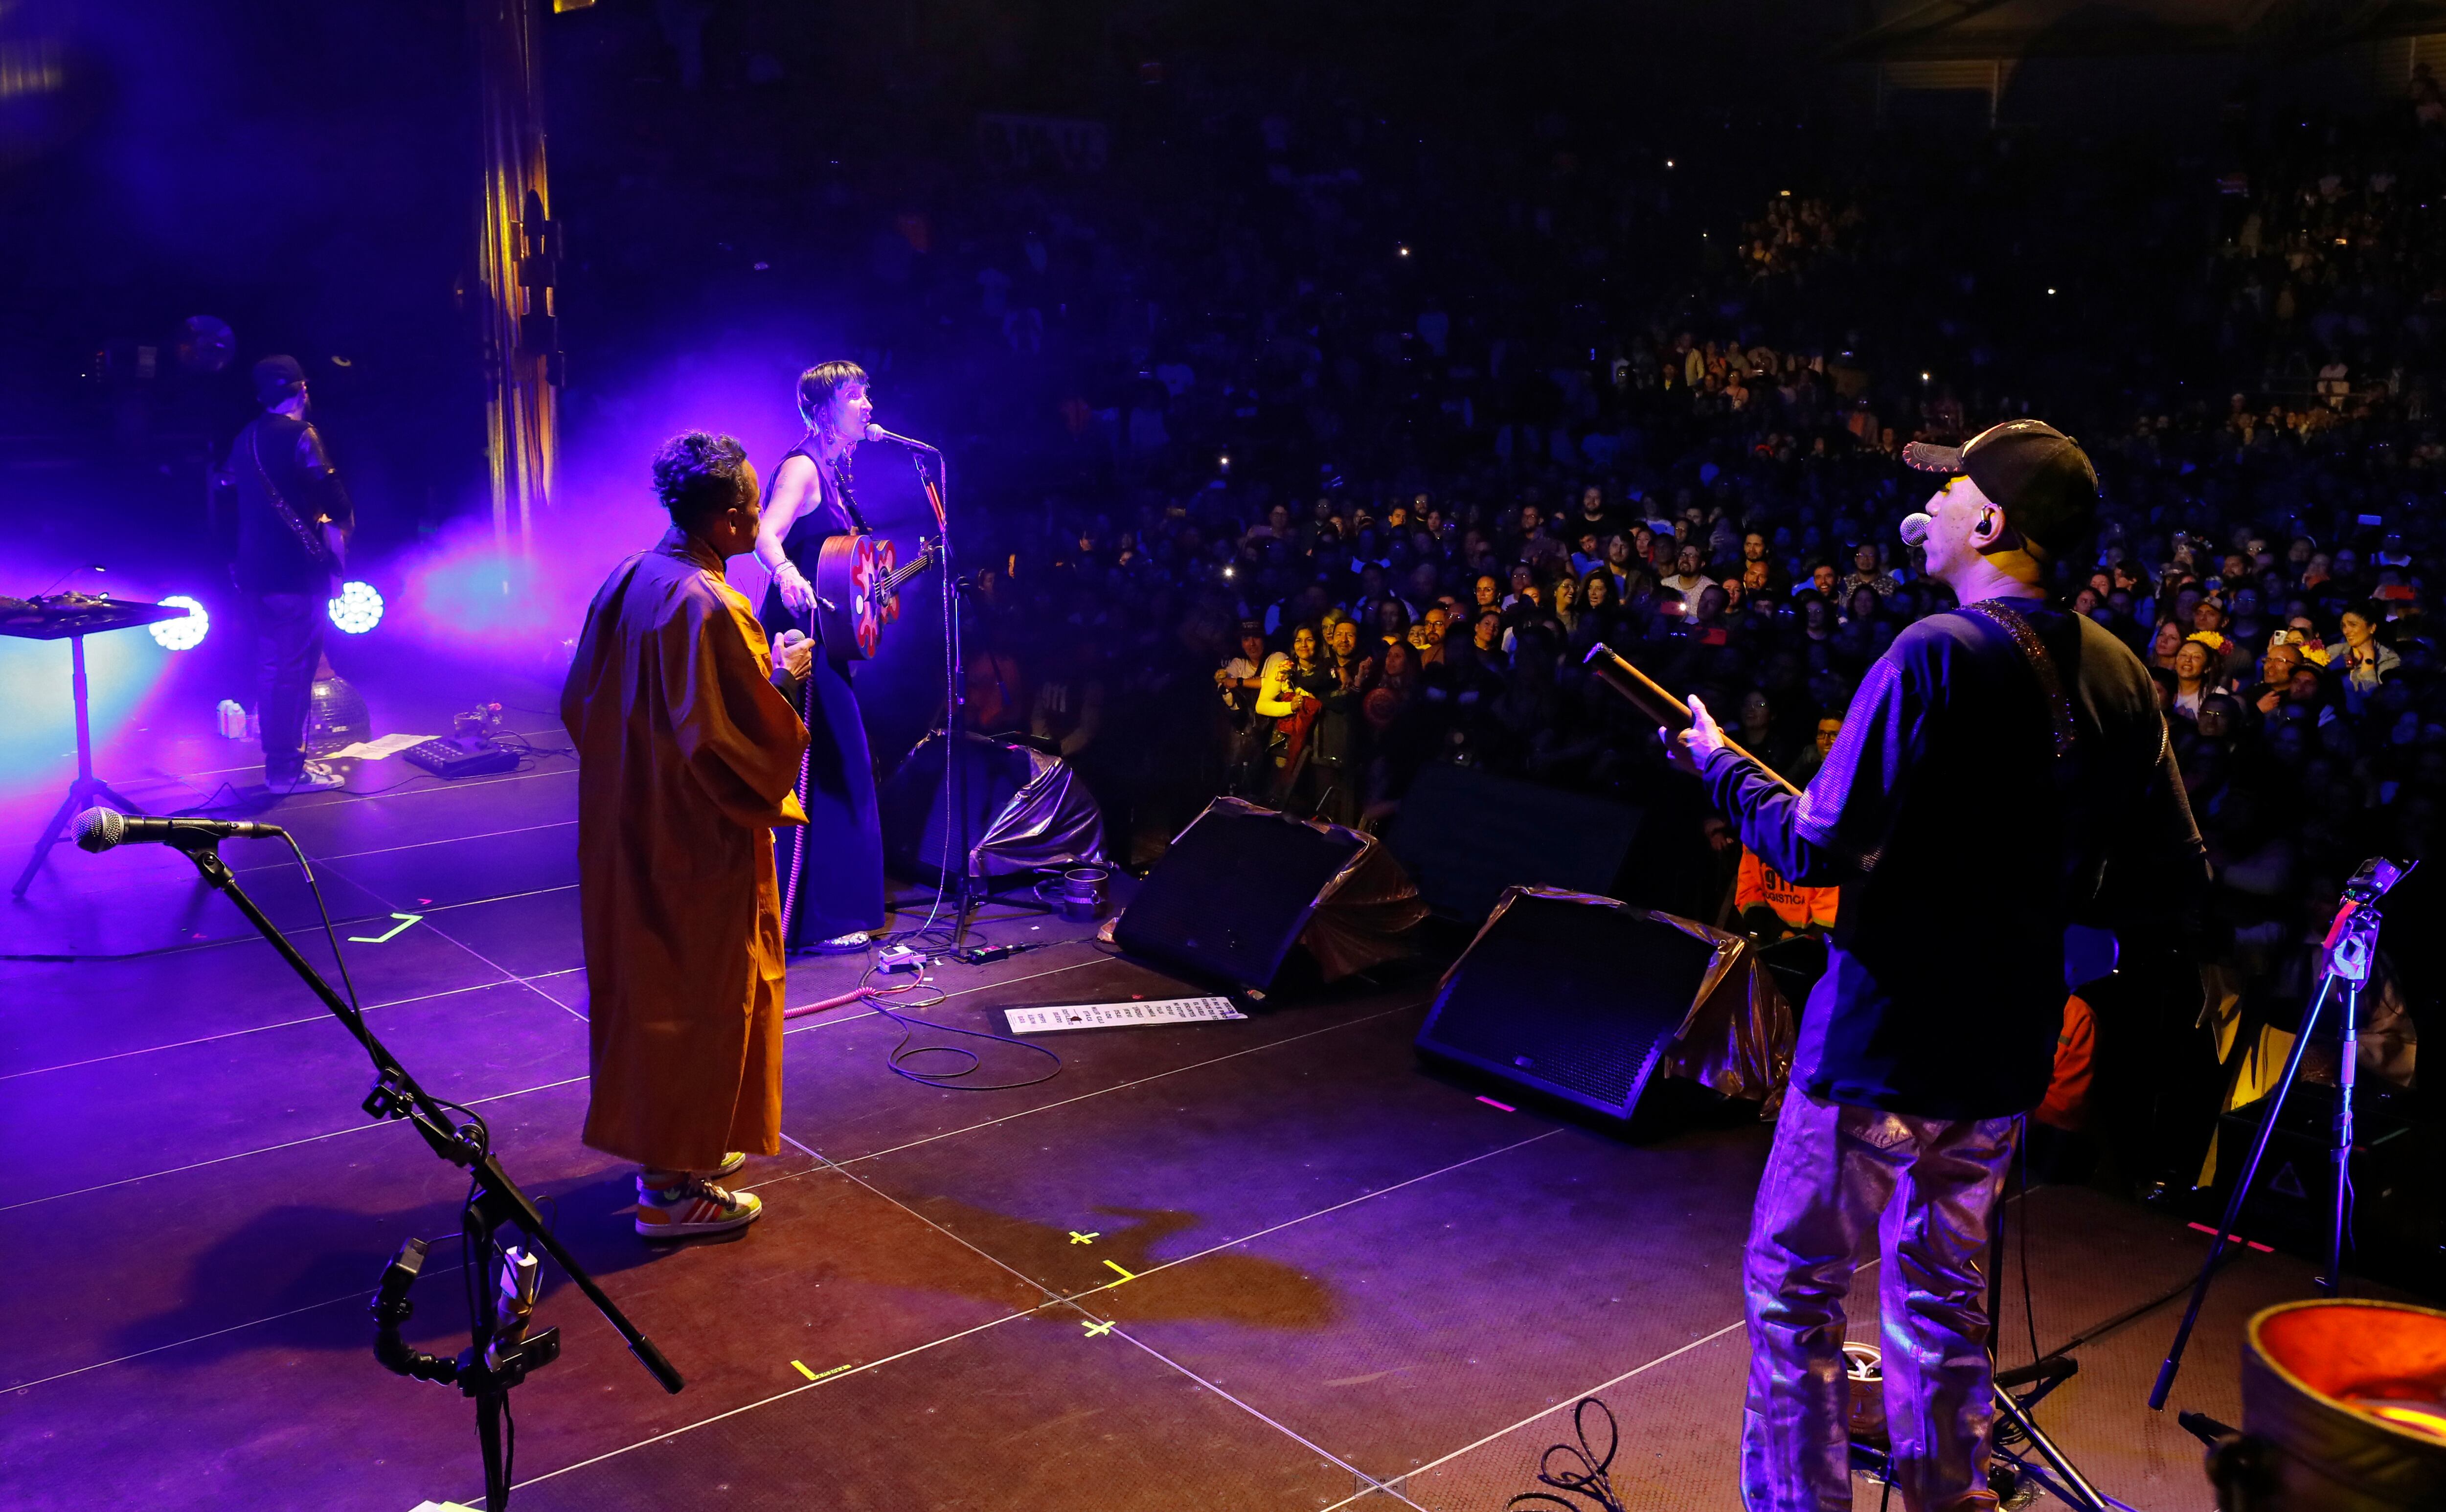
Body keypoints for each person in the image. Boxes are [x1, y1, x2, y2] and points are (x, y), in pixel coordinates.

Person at [1662, 420, 2204, 1511]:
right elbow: (2175, 877)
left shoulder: (1935, 651)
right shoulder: (2124, 678)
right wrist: (2033, 898)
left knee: (1795, 1293)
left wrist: (1719, 767)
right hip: (2002, 1053)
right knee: (1946, 1303)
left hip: (1878, 1046)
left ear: (1992, 521)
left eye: (1950, 489)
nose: (1930, 507)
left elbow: (1818, 842)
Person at [562, 431, 816, 1240]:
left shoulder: (630, 576)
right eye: (747, 505)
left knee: (651, 992)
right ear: (731, 520)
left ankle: (687, 1141)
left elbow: (582, 702)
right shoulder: (713, 603)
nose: (752, 518)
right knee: (697, 998)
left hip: (628, 820)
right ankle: (668, 1191)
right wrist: (783, 678)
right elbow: (734, 735)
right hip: (694, 839)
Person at [752, 361, 886, 953]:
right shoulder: (804, 468)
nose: (867, 405)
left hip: (826, 638)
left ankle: (825, 914)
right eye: (855, 396)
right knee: (830, 768)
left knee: (838, 765)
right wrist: (783, 572)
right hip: (799, 636)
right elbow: (762, 533)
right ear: (824, 408)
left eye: (865, 394)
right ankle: (819, 920)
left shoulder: (833, 472)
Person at [220, 355, 353, 793]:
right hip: (296, 572)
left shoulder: (245, 437)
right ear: (302, 390)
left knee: (271, 665)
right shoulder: (302, 435)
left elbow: (225, 497)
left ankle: (279, 764)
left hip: (254, 573)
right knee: (296, 672)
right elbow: (335, 501)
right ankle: (285, 771)